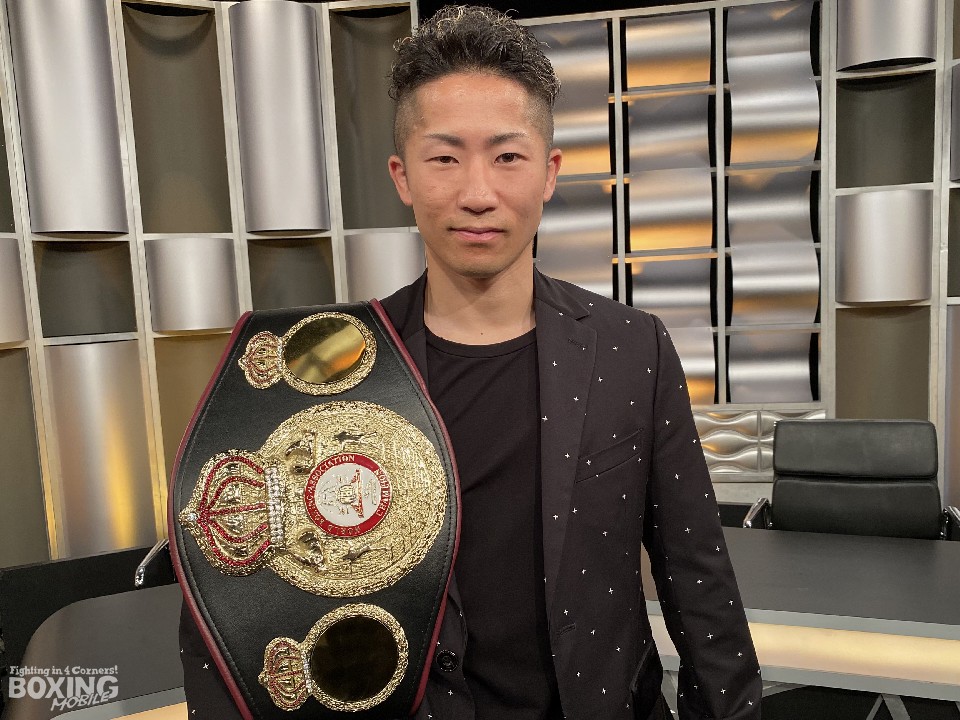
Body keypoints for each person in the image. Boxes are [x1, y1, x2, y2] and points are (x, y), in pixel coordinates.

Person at [179, 5, 761, 719]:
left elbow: (699, 581)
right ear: (403, 176)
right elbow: (230, 601)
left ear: (549, 173)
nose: (478, 194)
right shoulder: (329, 359)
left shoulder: (630, 347)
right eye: (445, 158)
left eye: (507, 157)